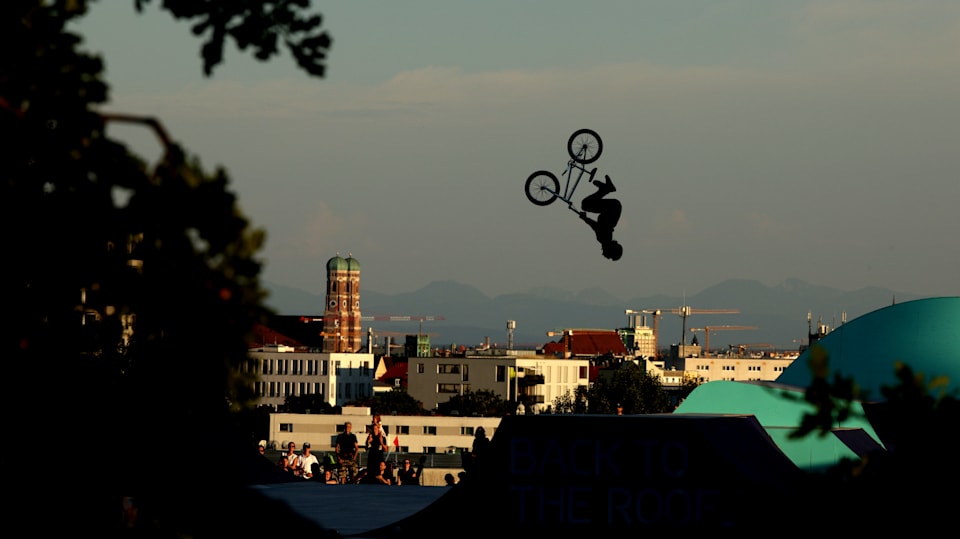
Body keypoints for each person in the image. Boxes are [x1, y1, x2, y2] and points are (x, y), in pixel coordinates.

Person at [578, 172, 623, 261]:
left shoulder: (605, 238)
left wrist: (585, 218)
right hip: (612, 208)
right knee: (585, 205)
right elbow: (596, 226)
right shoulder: (604, 238)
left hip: (614, 207)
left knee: (586, 205)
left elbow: (596, 226)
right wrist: (585, 218)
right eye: (609, 255)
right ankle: (605, 189)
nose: (604, 254)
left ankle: (604, 189)